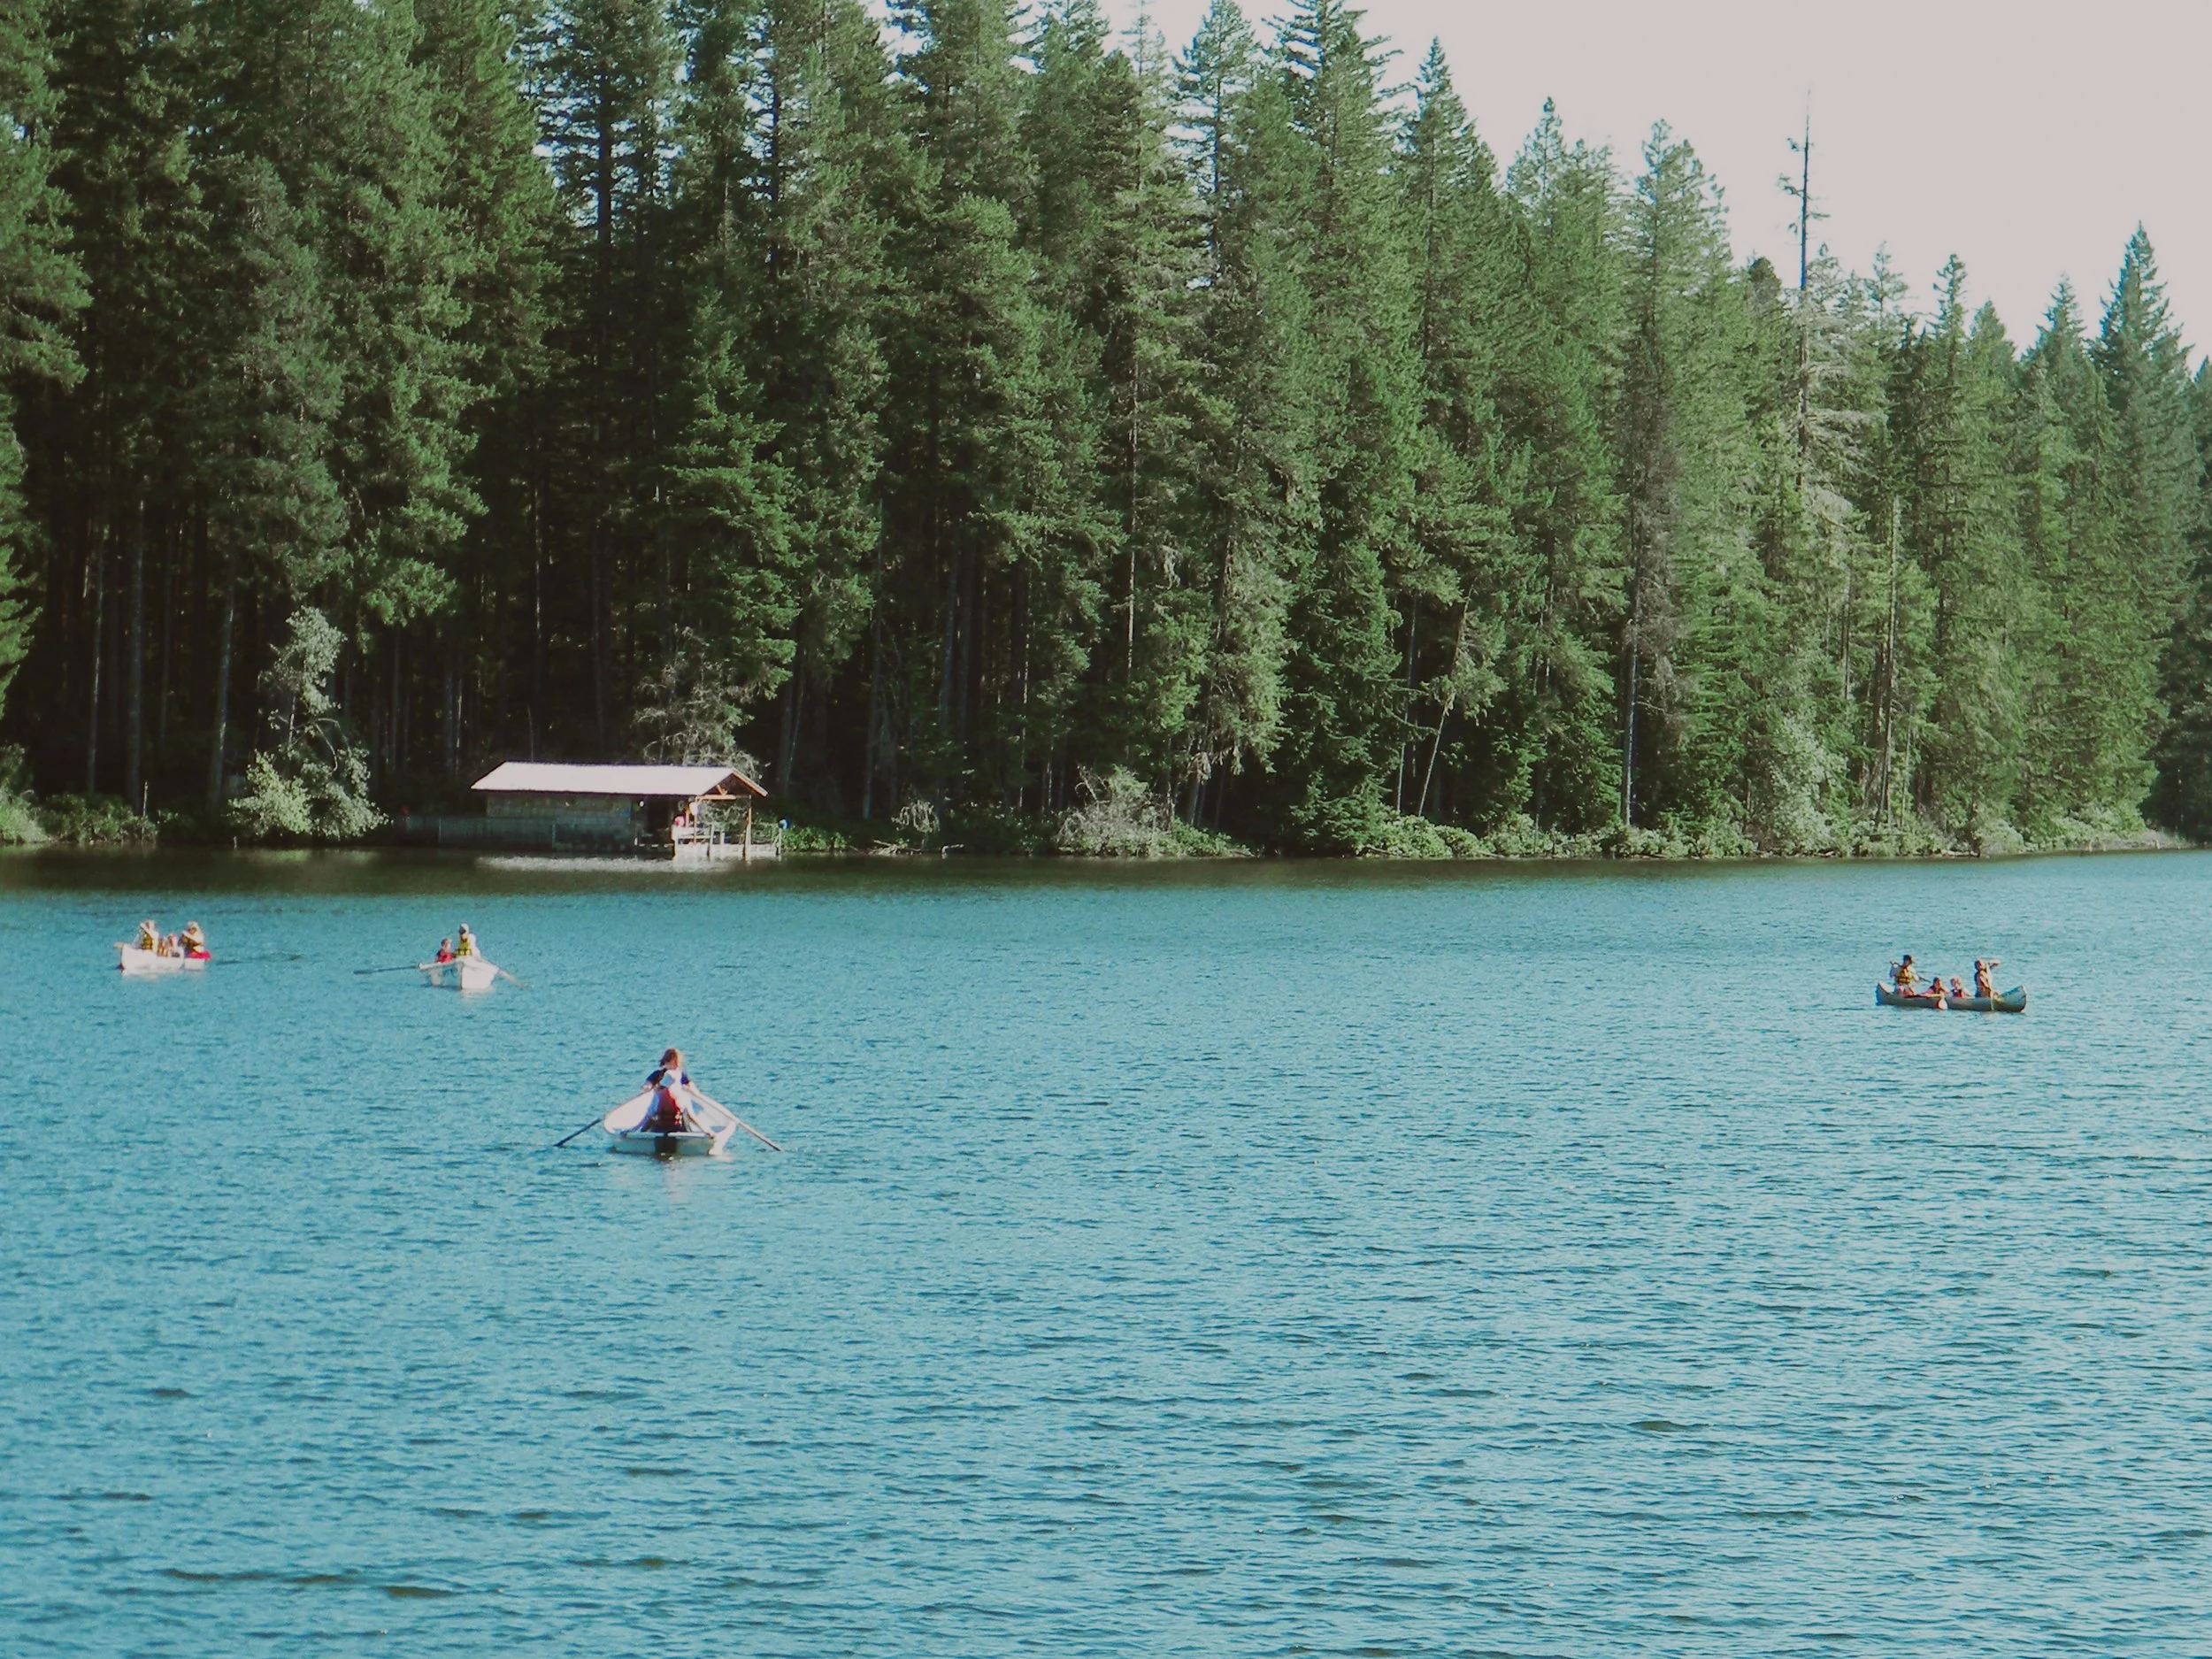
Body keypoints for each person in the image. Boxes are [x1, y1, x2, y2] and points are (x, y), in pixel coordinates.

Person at [643, 1048, 693, 1133]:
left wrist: (690, 1089)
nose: (675, 1066)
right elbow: (648, 1083)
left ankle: (687, 1130)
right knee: (654, 1115)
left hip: (676, 1103)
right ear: (665, 1062)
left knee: (684, 1113)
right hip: (661, 1106)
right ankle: (646, 1130)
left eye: (677, 1064)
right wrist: (648, 1087)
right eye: (673, 1063)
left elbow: (690, 1085)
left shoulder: (680, 1075)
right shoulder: (658, 1074)